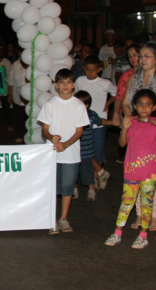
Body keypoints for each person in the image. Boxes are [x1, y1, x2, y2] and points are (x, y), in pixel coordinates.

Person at [105, 89, 156, 249]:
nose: (144, 108)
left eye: (148, 105)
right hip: (132, 170)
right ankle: (117, 233)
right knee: (127, 202)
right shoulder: (131, 121)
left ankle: (143, 235)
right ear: (135, 105)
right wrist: (125, 128)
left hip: (150, 172)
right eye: (140, 104)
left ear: (154, 107)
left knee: (147, 203)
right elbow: (122, 144)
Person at [122, 41, 156, 231]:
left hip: (155, 129)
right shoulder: (135, 77)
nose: (142, 59)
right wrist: (133, 120)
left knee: (154, 173)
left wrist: (149, 122)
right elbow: (127, 103)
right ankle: (140, 214)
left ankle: (155, 215)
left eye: (146, 56)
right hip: (136, 130)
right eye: (140, 56)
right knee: (137, 172)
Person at [38, 69, 89, 235]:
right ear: (56, 86)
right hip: (52, 153)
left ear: (73, 85)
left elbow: (79, 131)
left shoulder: (78, 105)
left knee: (67, 186)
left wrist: (65, 144)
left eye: (68, 82)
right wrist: (52, 137)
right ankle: (51, 219)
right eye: (61, 82)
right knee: (52, 186)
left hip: (71, 153)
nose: (65, 86)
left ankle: (63, 218)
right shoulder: (50, 104)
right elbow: (44, 129)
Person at [75, 55, 117, 190]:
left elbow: (118, 92)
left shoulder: (105, 83)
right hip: (83, 121)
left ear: (99, 70)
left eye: (93, 70)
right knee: (85, 150)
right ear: (83, 69)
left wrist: (108, 103)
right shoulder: (80, 80)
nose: (90, 73)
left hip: (99, 122)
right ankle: (99, 174)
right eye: (87, 70)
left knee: (97, 150)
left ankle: (96, 176)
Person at [73, 91, 114, 201]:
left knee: (88, 172)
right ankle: (74, 190)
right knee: (74, 172)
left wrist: (112, 122)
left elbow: (101, 122)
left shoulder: (91, 115)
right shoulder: (71, 116)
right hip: (75, 149)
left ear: (86, 105)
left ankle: (91, 191)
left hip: (87, 150)